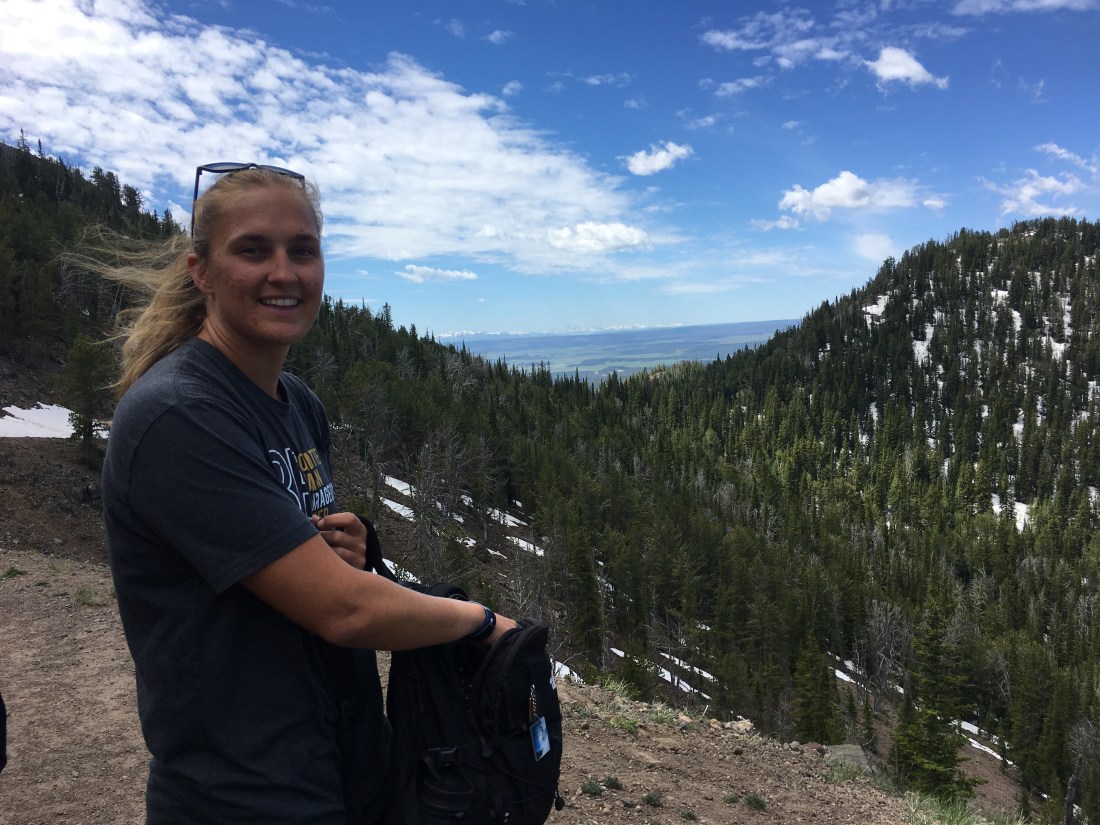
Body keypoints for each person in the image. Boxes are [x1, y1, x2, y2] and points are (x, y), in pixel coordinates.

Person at [97, 163, 516, 824]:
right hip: (245, 788)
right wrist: (482, 622)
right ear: (201, 271)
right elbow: (343, 610)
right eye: (252, 250)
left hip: (345, 763)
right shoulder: (178, 413)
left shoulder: (297, 403)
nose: (283, 272)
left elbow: (284, 553)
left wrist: (345, 545)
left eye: (302, 250)